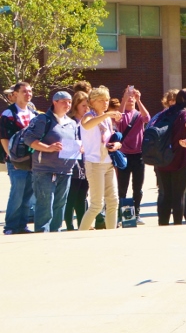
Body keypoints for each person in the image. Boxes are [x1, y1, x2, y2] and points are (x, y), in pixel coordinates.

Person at [24, 91, 81, 232]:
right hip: (44, 170)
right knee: (45, 203)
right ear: (54, 102)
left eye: (69, 102)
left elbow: (73, 143)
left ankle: (55, 233)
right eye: (63, 101)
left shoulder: (72, 123)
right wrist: (48, 148)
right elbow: (28, 139)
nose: (67, 104)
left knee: (60, 203)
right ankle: (42, 233)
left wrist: (79, 148)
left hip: (65, 170)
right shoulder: (43, 119)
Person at [153, 89, 186, 226]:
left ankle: (163, 224)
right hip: (179, 159)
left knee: (165, 194)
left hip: (162, 158)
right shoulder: (185, 113)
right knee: (179, 195)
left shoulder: (165, 113)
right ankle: (177, 225)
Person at [79, 86, 123, 231]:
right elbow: (87, 125)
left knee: (113, 201)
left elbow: (109, 138)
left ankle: (111, 233)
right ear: (92, 101)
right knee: (97, 204)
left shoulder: (107, 120)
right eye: (101, 100)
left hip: (108, 163)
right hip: (94, 163)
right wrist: (107, 115)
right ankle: (81, 233)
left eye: (107, 100)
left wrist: (116, 144)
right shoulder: (88, 116)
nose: (105, 103)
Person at [2, 82, 39, 235]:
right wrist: (12, 158)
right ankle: (10, 226)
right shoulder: (9, 114)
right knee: (17, 193)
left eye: (30, 91)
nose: (28, 94)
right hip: (16, 162)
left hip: (31, 162)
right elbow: (4, 138)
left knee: (28, 195)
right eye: (24, 91)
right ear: (16, 94)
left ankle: (22, 225)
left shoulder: (33, 114)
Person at [115, 86, 150, 225]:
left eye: (132, 96)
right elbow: (118, 119)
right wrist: (124, 99)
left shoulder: (138, 114)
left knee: (138, 187)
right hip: (123, 154)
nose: (131, 98)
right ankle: (121, 215)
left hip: (138, 155)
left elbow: (147, 118)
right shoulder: (122, 112)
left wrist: (139, 100)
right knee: (122, 187)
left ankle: (137, 213)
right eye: (128, 95)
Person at [65, 92, 91, 230]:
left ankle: (83, 224)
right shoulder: (71, 122)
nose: (86, 109)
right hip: (74, 164)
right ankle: (69, 224)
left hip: (88, 163)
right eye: (83, 106)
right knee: (71, 196)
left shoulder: (90, 122)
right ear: (76, 106)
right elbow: (66, 144)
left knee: (82, 195)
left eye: (88, 106)